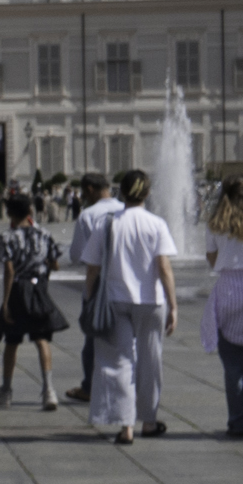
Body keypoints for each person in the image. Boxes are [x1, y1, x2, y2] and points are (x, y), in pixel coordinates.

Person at [78, 167, 177, 445]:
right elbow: (164, 267)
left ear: (121, 191)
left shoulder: (107, 223)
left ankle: (125, 426)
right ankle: (148, 420)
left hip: (115, 300)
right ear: (147, 193)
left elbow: (93, 268)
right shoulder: (156, 224)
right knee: (150, 361)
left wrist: (89, 298)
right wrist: (173, 304)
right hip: (150, 301)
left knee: (117, 362)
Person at [0, 191, 68, 409]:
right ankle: (49, 390)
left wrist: (5, 303)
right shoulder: (44, 234)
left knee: (12, 341)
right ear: (30, 211)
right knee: (42, 339)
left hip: (18, 290)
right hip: (39, 289)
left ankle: (6, 391)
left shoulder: (7, 237)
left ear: (9, 214)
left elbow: (8, 270)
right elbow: (55, 264)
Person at [202, 175, 243, 438]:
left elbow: (212, 259)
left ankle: (238, 422)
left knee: (233, 364)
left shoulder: (215, 224)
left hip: (229, 292)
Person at [62, 173, 123, 403]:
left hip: (99, 282)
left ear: (89, 189)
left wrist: (88, 292)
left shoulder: (88, 215)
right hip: (127, 281)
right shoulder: (124, 209)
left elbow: (78, 255)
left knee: (93, 335)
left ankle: (90, 386)